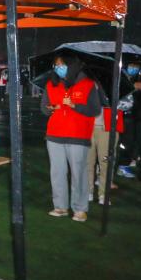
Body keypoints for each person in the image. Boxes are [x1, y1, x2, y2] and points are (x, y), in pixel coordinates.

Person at [42, 55, 100, 221]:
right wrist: (50, 108)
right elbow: (44, 108)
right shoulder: (51, 84)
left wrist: (75, 106)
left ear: (72, 65)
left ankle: (80, 209)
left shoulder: (88, 84)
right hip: (54, 135)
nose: (59, 68)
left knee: (78, 173)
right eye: (56, 65)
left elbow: (95, 110)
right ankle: (60, 207)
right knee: (57, 172)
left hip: (78, 135)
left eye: (62, 64)